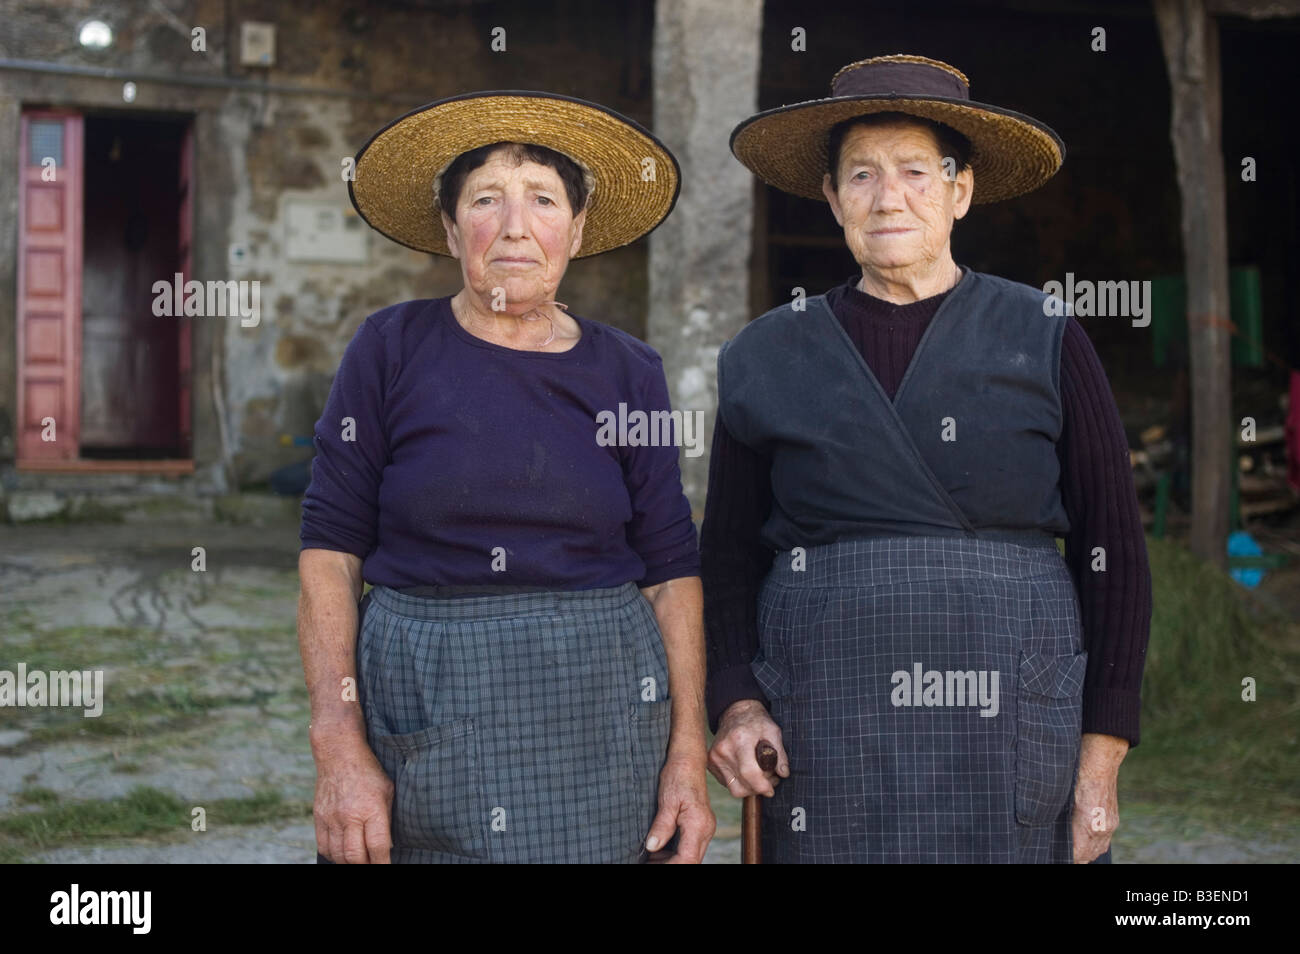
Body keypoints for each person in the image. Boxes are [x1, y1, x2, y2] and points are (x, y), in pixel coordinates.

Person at [703, 55, 1151, 863]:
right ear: (833, 198)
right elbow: (727, 555)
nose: (889, 195)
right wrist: (737, 704)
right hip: (827, 713)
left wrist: (1103, 751)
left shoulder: (1045, 333)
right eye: (862, 174)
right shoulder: (766, 354)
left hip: (1011, 704)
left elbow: (1113, 551)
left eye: (916, 170)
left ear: (960, 191)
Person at [298, 91, 714, 863]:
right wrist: (338, 744)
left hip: (603, 710)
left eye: (544, 201)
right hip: (426, 694)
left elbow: (670, 571)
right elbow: (330, 552)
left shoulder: (629, 369)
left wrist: (688, 756)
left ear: (578, 229)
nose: (516, 226)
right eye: (487, 199)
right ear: (454, 228)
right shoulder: (389, 347)